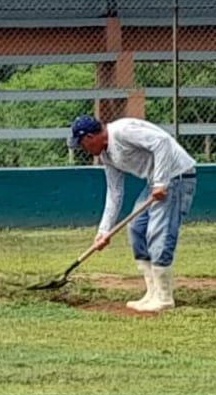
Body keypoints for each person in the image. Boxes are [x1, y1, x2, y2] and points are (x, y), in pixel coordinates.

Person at [67, 114, 197, 312]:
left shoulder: (122, 131)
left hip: (176, 177)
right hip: (155, 182)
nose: (84, 150)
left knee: (158, 232)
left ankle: (164, 298)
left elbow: (162, 142)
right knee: (137, 228)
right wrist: (104, 231)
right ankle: (152, 293)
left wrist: (161, 182)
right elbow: (115, 192)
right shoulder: (106, 155)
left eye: (82, 145)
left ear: (89, 137)